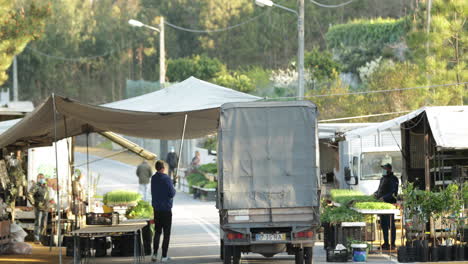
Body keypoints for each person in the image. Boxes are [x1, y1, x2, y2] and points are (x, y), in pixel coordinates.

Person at [151, 160, 176, 262]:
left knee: (157, 232)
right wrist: (172, 184)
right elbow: (171, 194)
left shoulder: (153, 178)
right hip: (166, 210)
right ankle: (164, 256)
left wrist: (171, 182)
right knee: (166, 233)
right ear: (163, 168)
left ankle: (155, 254)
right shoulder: (167, 179)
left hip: (156, 210)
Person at [373, 163, 399, 250]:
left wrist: (384, 198)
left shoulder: (393, 179)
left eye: (385, 168)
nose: (383, 170)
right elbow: (380, 189)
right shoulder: (382, 179)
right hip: (382, 205)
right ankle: (386, 243)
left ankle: (392, 243)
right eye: (383, 168)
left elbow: (393, 192)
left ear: (389, 169)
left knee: (391, 224)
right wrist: (376, 194)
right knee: (383, 224)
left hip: (390, 204)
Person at [27, 173, 51, 243]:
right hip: (38, 207)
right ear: (37, 179)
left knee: (44, 223)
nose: (42, 179)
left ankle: (42, 238)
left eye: (42, 177)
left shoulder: (45, 186)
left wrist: (50, 201)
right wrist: (34, 203)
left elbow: (46, 196)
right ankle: (36, 238)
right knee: (38, 223)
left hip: (46, 207)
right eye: (40, 178)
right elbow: (29, 194)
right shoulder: (35, 186)